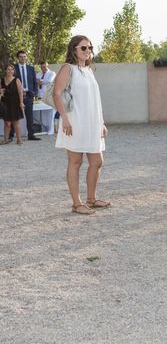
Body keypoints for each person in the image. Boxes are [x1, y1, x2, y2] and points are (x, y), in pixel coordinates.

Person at [54, 35, 110, 215]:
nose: (88, 51)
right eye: (83, 48)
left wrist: (101, 123)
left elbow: (95, 100)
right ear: (74, 50)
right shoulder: (67, 68)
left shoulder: (89, 71)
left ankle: (91, 200)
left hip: (92, 123)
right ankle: (76, 203)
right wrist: (65, 119)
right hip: (74, 122)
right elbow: (57, 94)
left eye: (90, 48)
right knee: (75, 161)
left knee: (97, 161)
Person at [13, 50, 40, 140]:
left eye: (24, 56)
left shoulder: (31, 68)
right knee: (15, 116)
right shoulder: (13, 68)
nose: (23, 58)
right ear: (18, 58)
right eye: (21, 56)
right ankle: (11, 136)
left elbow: (34, 82)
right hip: (17, 96)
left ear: (26, 57)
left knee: (30, 116)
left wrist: (35, 93)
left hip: (29, 95)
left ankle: (31, 135)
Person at [0, 64, 25, 145]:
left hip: (15, 102)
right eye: (8, 69)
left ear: (14, 71)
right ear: (5, 71)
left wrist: (21, 102)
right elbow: (1, 91)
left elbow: (20, 92)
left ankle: (19, 139)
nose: (10, 71)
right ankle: (6, 139)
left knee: (16, 122)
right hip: (5, 103)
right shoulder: (2, 80)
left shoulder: (17, 80)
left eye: (11, 69)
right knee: (7, 122)